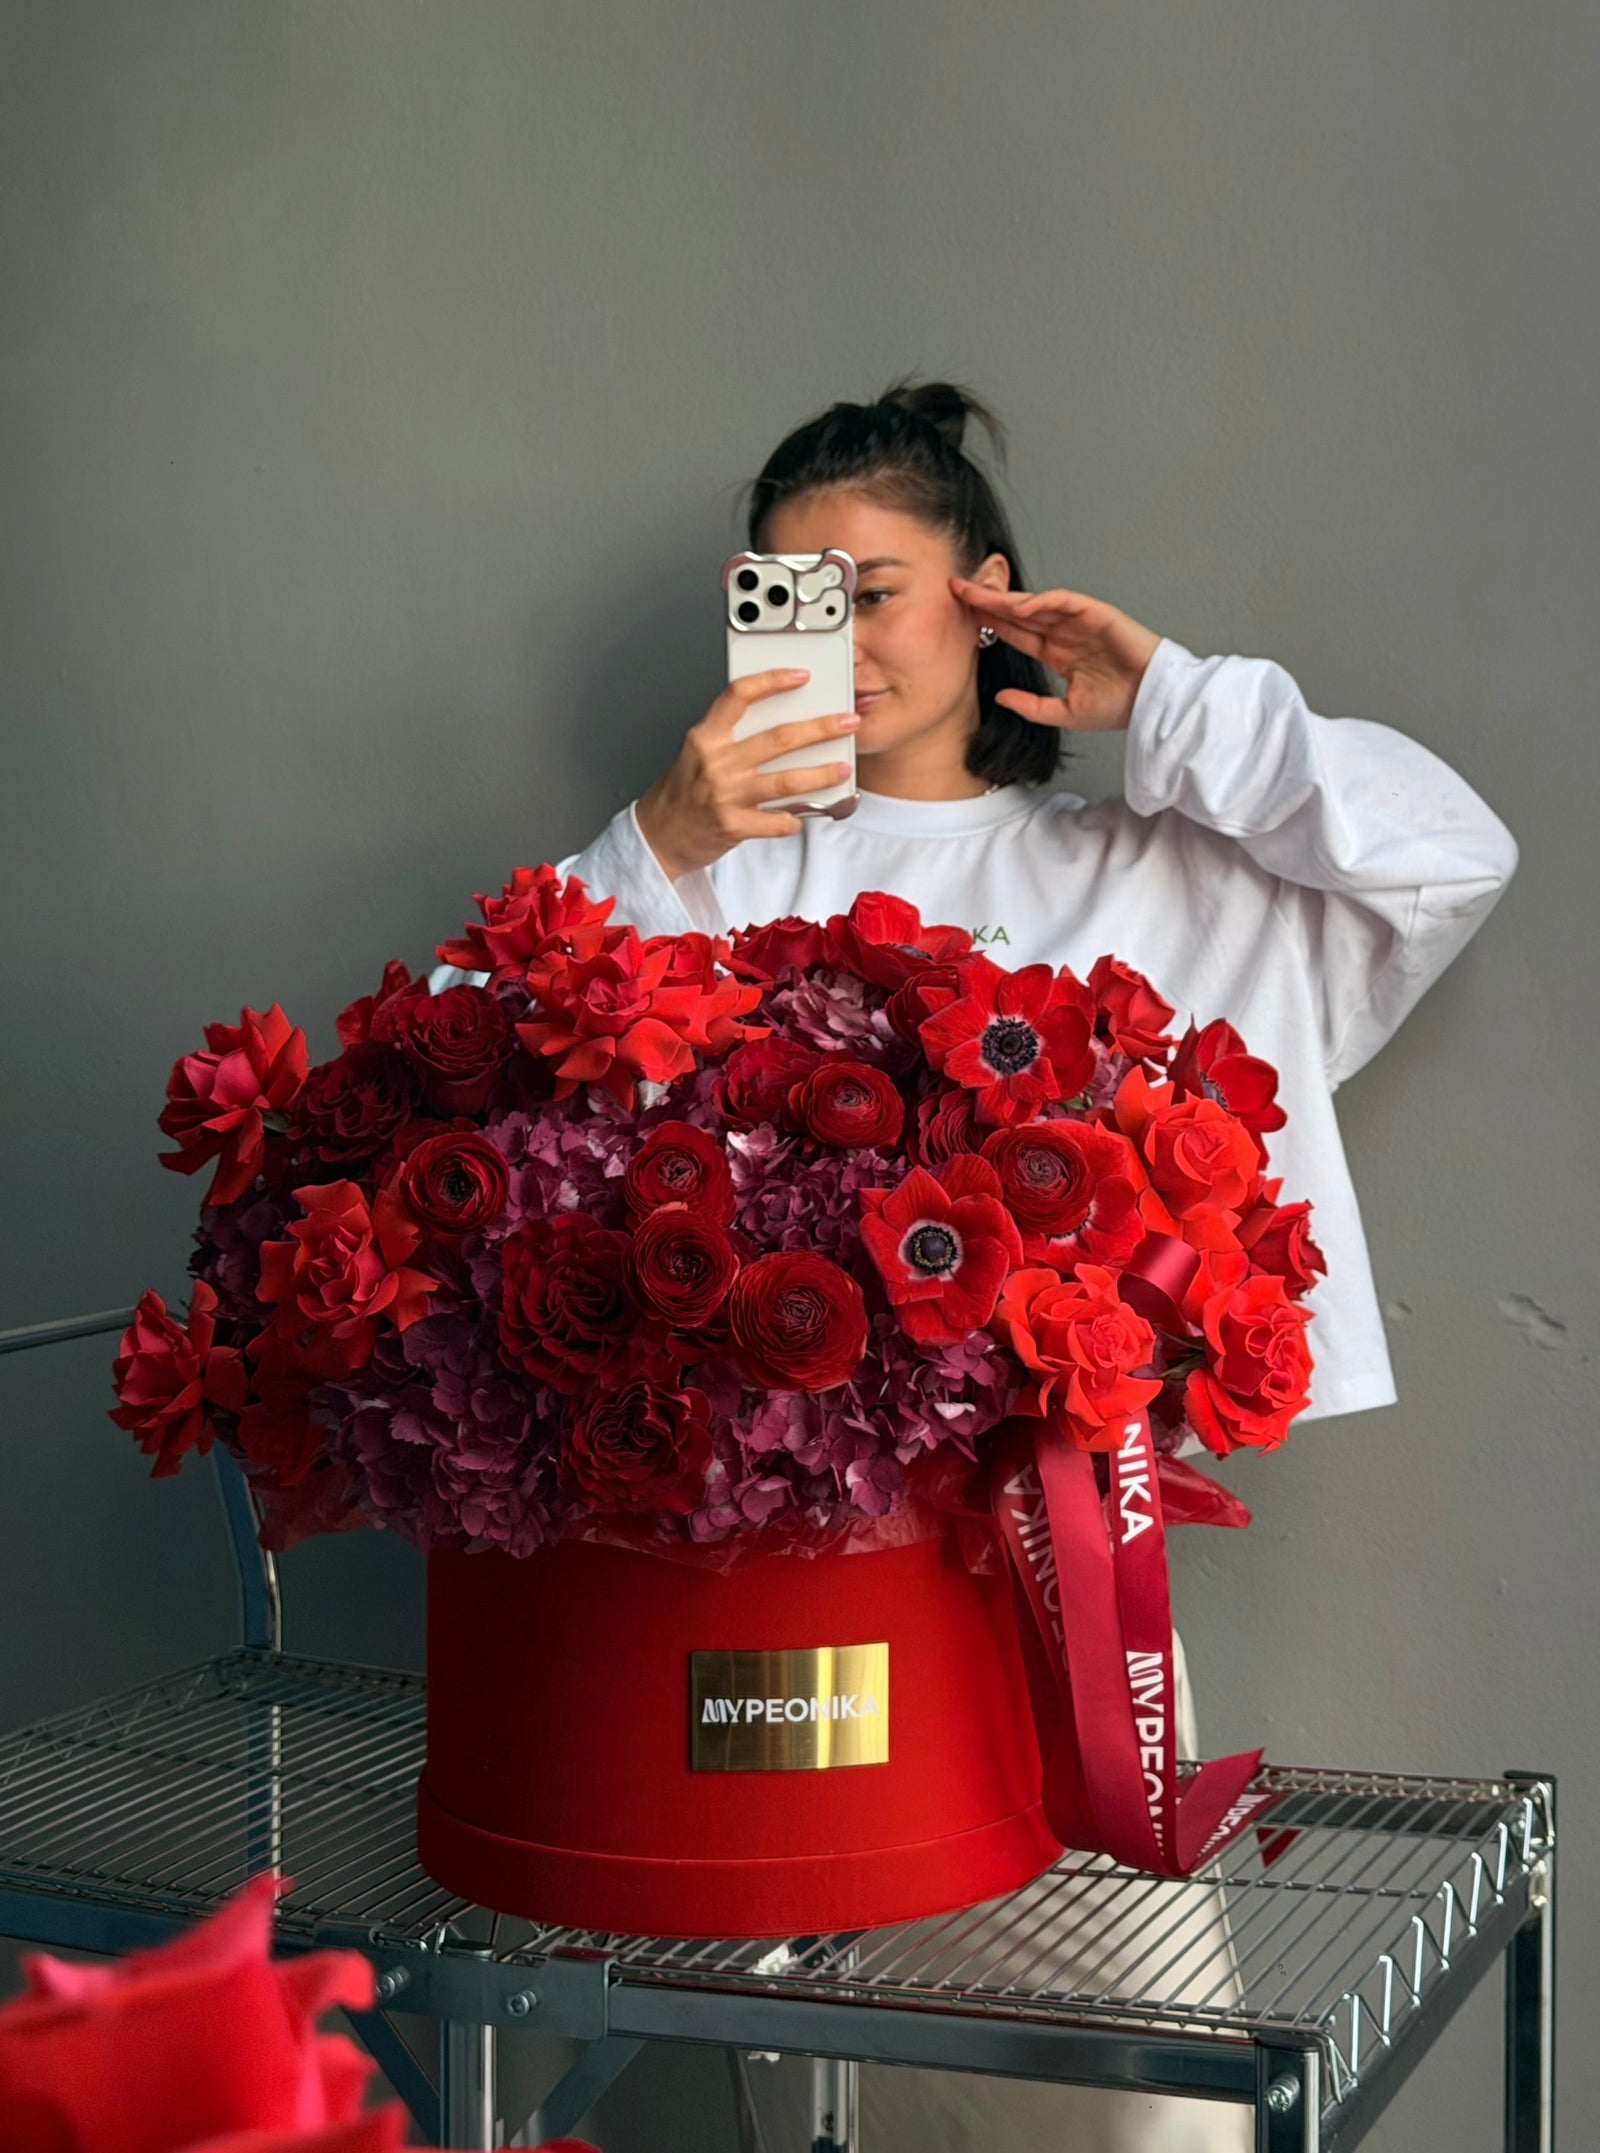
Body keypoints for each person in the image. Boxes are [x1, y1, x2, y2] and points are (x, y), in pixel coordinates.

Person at [430, 378, 1518, 2151]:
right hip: (727, 1610)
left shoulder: (1167, 877)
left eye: (873, 591)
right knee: (725, 2079)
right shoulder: (707, 881)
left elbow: (1451, 855)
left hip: (1058, 1624)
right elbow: (456, 1076)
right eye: (786, 598)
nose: (835, 639)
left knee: (1157, 2108)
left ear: (993, 592)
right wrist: (662, 841)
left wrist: (1174, 705)